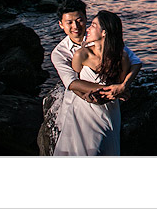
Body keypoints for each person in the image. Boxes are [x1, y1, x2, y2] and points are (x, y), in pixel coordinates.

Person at [54, 10, 130, 156]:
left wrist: (122, 88)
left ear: (104, 33)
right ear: (61, 24)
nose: (87, 28)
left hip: (108, 110)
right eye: (69, 22)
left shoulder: (122, 57)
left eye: (93, 25)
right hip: (83, 109)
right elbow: (73, 83)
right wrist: (89, 95)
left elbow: (134, 66)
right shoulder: (80, 54)